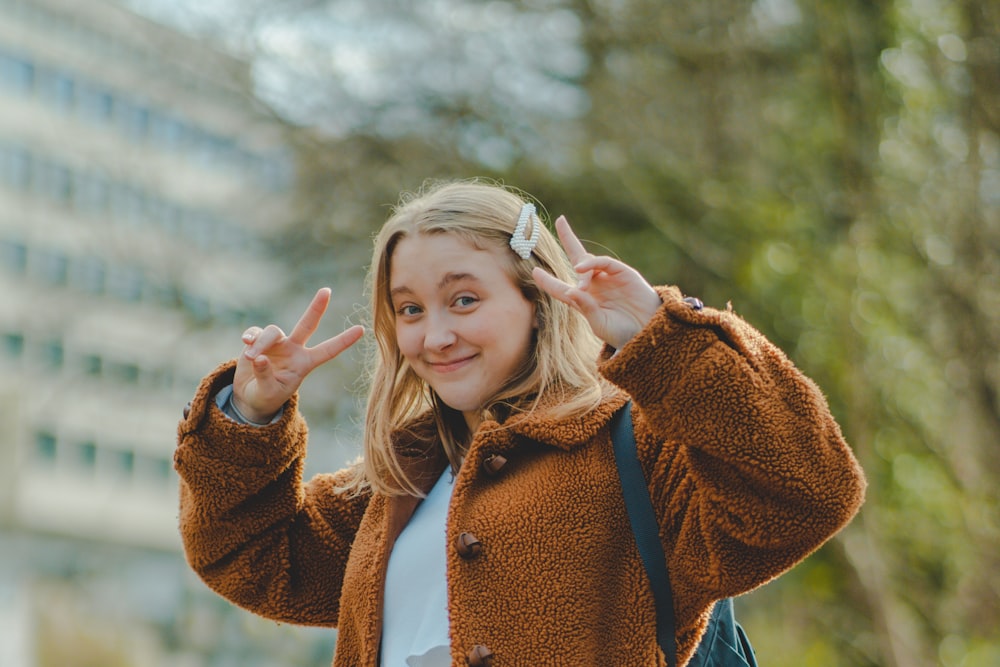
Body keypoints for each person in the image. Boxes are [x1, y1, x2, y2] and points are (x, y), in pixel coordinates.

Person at [175, 180, 866, 667]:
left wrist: (664, 338)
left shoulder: (637, 445)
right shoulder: (397, 486)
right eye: (410, 308)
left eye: (464, 298)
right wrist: (252, 414)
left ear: (538, 298)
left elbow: (808, 490)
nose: (435, 334)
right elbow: (249, 556)